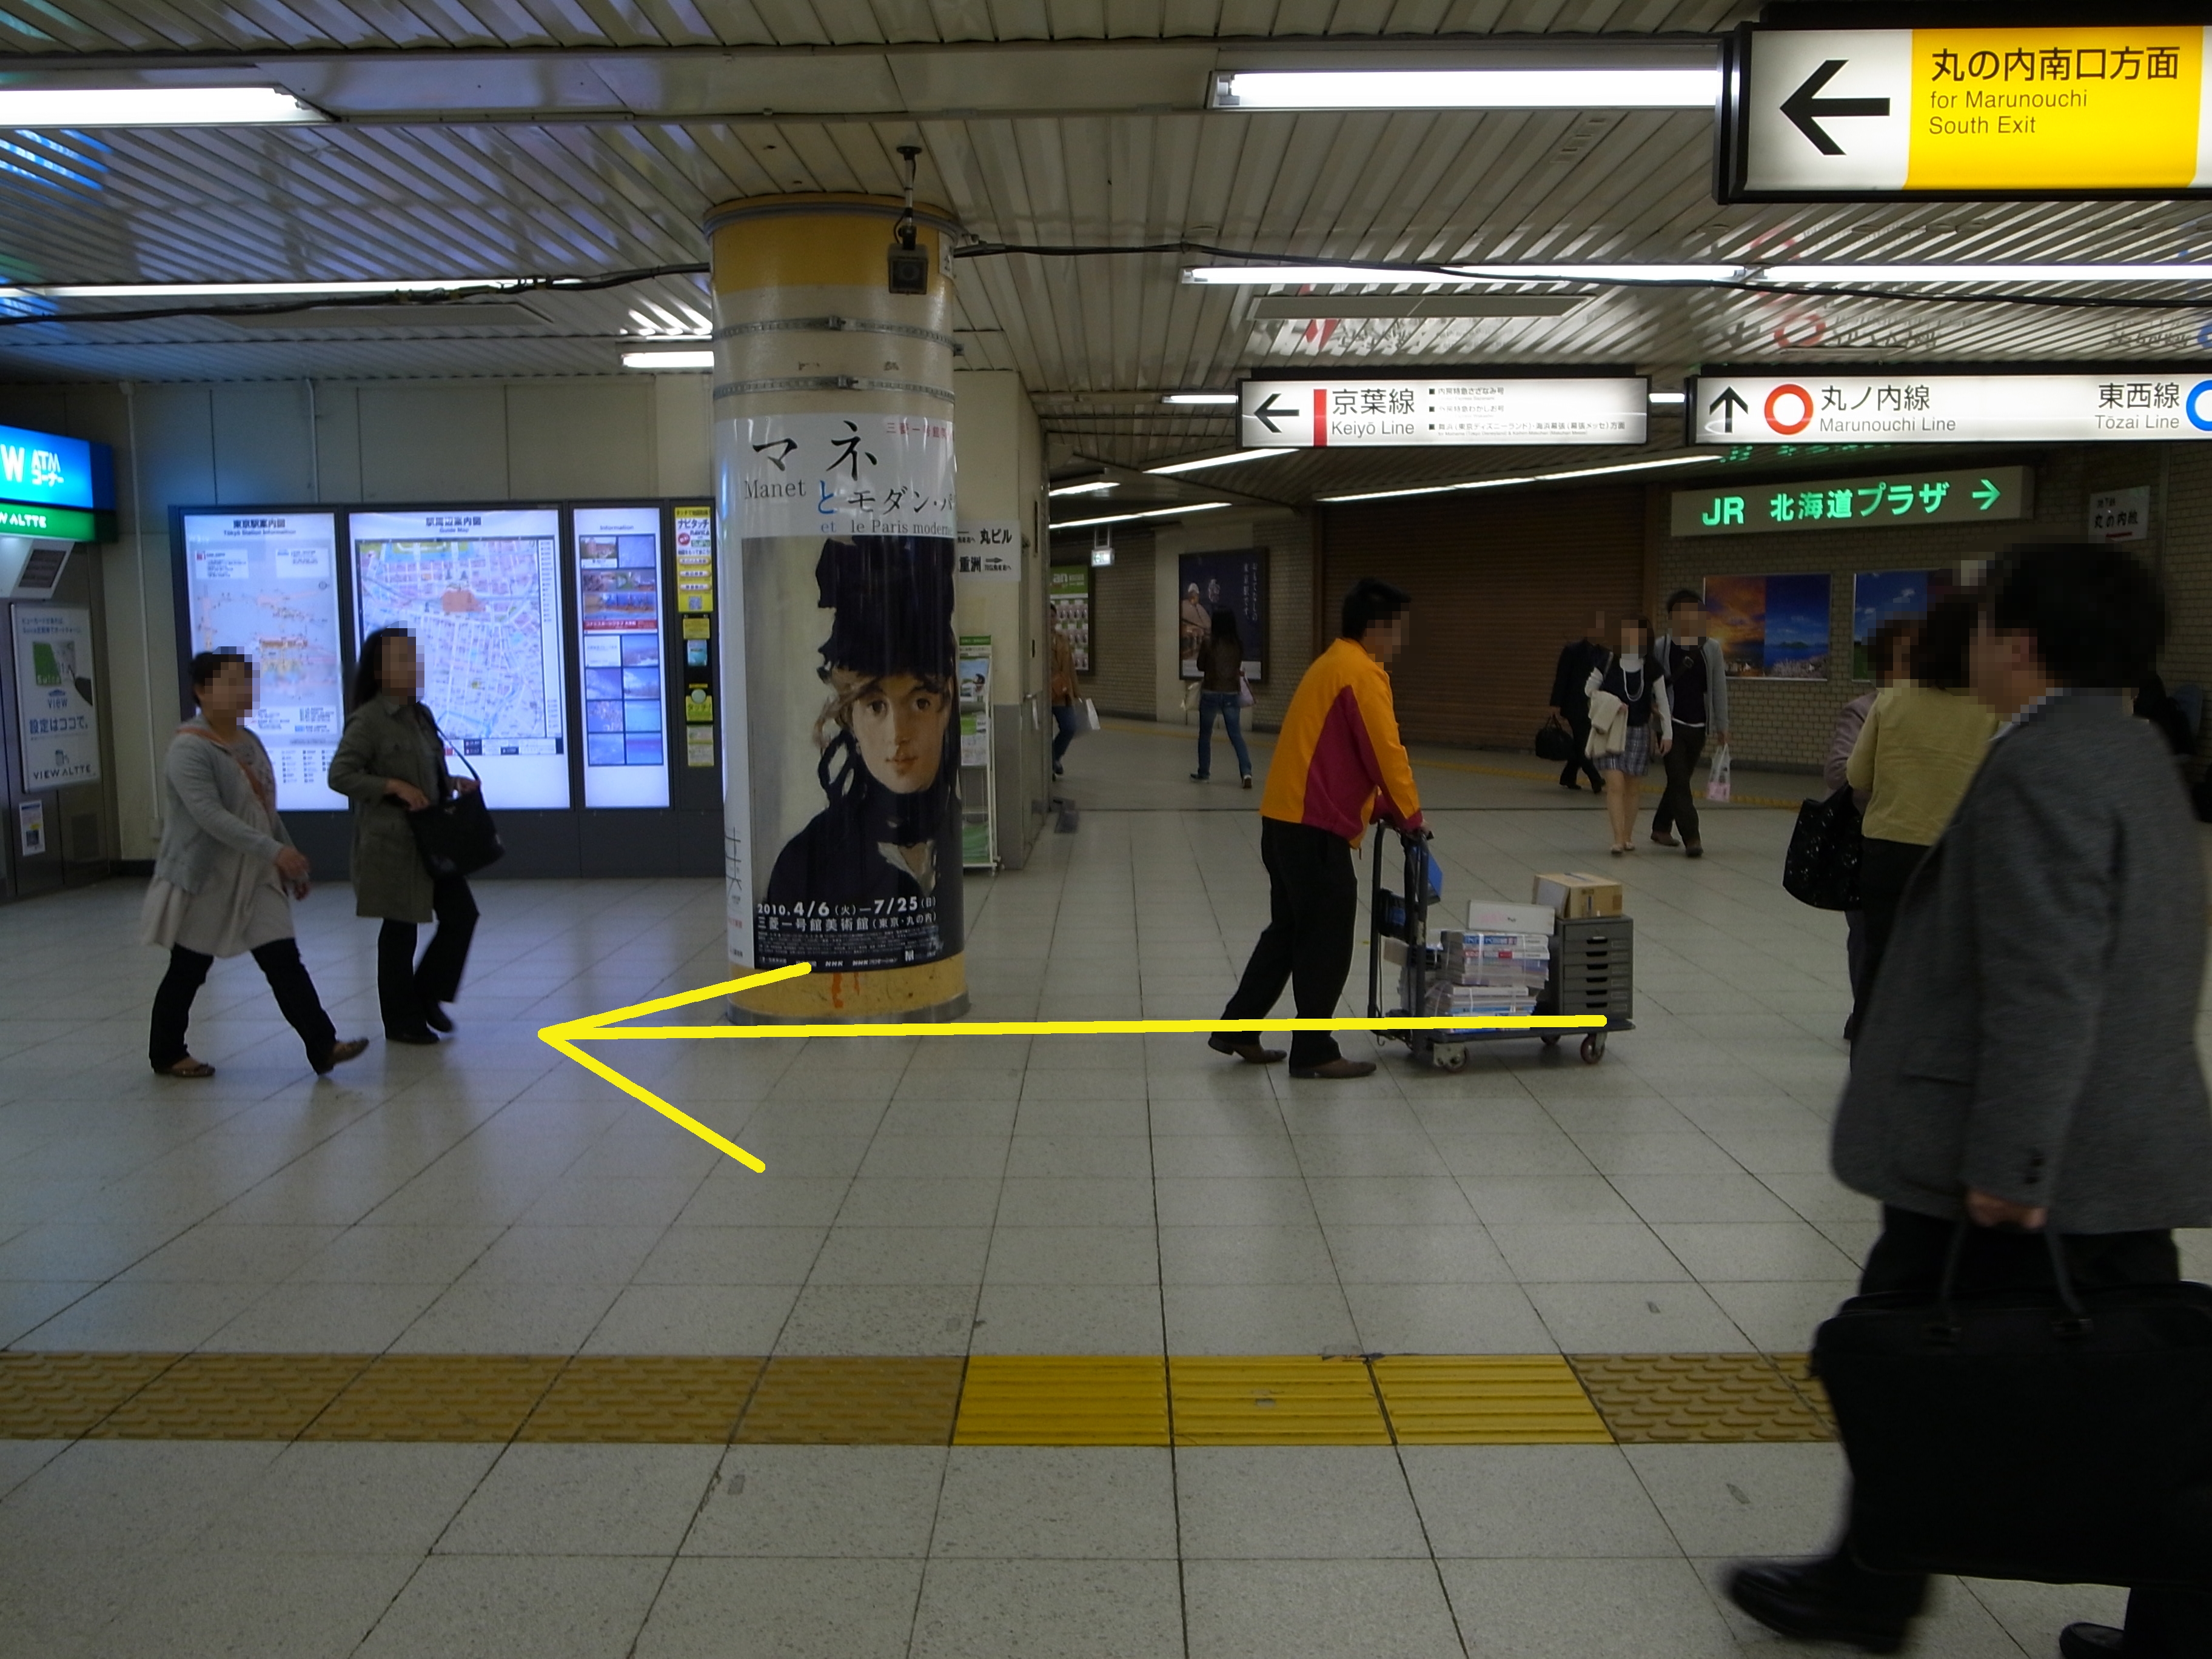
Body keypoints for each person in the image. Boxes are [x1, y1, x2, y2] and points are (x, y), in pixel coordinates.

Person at [1728, 543, 2212, 1659]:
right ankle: (1874, 1579)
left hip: (2028, 1155)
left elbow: (2046, 978)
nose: (1978, 643)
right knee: (2143, 1383)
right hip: (2104, 1141)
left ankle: (1872, 1584)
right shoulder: (2133, 748)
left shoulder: (2048, 766)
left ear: (2021, 646)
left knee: (1927, 1347)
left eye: (1989, 624)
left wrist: (2012, 1160)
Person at [1213, 578, 1423, 1081]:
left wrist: (1377, 808)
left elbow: (1333, 752)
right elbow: (1383, 751)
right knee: (1327, 937)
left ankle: (1236, 1027)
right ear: (1376, 629)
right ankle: (1313, 1050)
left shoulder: (1330, 663)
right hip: (1314, 828)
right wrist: (1410, 814)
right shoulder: (1361, 673)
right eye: (1398, 631)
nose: (1400, 642)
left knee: (1289, 931)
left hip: (1283, 819)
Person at [142, 650, 366, 1079]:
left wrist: (288, 857)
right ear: (202, 691)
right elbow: (211, 817)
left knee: (284, 960)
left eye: (247, 682)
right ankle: (167, 1052)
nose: (243, 691)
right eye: (230, 683)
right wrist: (274, 851)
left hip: (255, 874)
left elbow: (264, 809)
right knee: (189, 967)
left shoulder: (250, 741)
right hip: (206, 877)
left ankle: (323, 1045)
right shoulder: (188, 748)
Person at [762, 537, 962, 943]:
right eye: (875, 706)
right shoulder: (807, 863)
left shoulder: (953, 833)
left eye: (920, 702)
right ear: (849, 718)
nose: (897, 735)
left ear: (948, 703)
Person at [1844, 596, 1996, 1025]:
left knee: (1881, 959)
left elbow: (1857, 776)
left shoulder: (1892, 699)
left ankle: (1871, 1069)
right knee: (1950, 967)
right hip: (1959, 854)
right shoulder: (1993, 708)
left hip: (1888, 849)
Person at [328, 626, 481, 1046]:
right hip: (391, 843)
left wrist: (450, 783)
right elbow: (341, 775)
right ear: (379, 671)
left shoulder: (420, 714)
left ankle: (427, 994)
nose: (413, 668)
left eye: (415, 658)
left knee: (462, 915)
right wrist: (391, 787)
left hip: (431, 839)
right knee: (400, 930)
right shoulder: (369, 720)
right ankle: (401, 1021)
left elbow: (426, 768)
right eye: (402, 661)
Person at [1831, 617, 1919, 1042]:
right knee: (1867, 934)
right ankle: (1866, 1011)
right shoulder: (1865, 709)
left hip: (1920, 841)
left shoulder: (1945, 708)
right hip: (1873, 837)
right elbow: (1840, 772)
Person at [1650, 588, 1729, 857]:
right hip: (1669, 726)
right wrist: (1653, 722)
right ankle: (1692, 837)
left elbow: (1719, 688)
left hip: (1699, 726)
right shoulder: (1661, 647)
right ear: (1672, 617)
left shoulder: (1712, 648)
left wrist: (1723, 726)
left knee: (1679, 781)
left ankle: (1661, 828)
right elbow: (1652, 683)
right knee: (1680, 782)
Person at [1584, 616, 1672, 856]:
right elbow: (1589, 690)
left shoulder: (1651, 666)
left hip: (1639, 731)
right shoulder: (1609, 660)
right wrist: (1612, 702)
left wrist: (1668, 735)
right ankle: (1617, 839)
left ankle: (1628, 836)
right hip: (1611, 731)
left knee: (1633, 788)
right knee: (1615, 785)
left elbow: (1663, 701)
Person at [1190, 608, 1254, 787]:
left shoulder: (1209, 643)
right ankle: (1246, 772)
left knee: (1205, 735)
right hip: (1232, 694)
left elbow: (1200, 666)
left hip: (1210, 692)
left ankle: (1204, 773)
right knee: (1236, 735)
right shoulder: (1238, 644)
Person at [1546, 611, 1607, 791]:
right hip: (1575, 705)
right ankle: (1595, 778)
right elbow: (1562, 677)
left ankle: (1568, 776)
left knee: (1582, 743)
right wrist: (1554, 704)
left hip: (1595, 706)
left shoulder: (1605, 654)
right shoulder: (1572, 651)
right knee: (1584, 743)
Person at [1049, 628, 1079, 779]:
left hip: (1063, 692)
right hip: (1046, 694)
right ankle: (1048, 765)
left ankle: (1053, 758)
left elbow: (1071, 668)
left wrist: (1076, 692)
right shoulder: (1038, 638)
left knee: (1070, 727)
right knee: (1043, 734)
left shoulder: (1063, 639)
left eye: (1053, 615)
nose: (1051, 618)